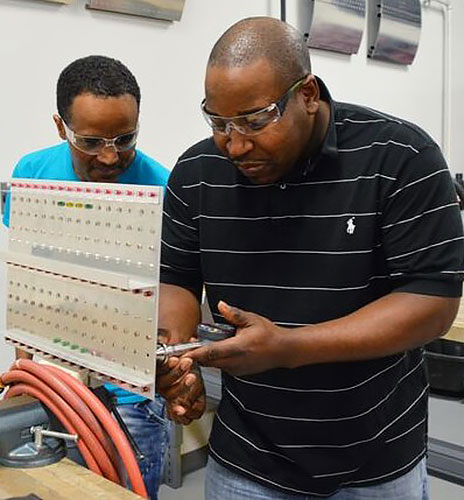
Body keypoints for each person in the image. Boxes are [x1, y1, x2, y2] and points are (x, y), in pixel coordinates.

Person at [157, 17, 464, 500]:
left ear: (307, 94)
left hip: (375, 459)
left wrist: (289, 348)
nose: (236, 144)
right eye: (219, 123)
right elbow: (175, 278)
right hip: (246, 459)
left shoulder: (401, 157)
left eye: (256, 121)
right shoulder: (197, 173)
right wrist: (177, 361)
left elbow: (433, 300)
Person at [3, 55, 170, 500]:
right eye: (92, 141)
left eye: (126, 137)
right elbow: (28, 277)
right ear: (61, 127)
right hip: (51, 383)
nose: (111, 156)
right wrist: (25, 373)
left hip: (131, 401)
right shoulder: (32, 174)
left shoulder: (162, 187)